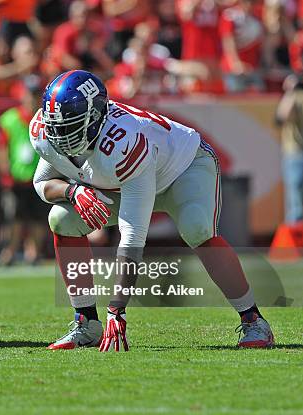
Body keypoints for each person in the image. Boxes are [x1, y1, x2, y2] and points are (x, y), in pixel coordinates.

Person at [30, 70, 274, 351]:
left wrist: (117, 309)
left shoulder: (124, 143)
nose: (61, 136)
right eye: (56, 126)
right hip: (125, 181)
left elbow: (132, 238)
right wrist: (72, 191)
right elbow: (43, 182)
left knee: (196, 227)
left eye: (71, 126)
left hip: (183, 167)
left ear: (95, 118)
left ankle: (253, 319)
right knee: (61, 219)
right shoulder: (46, 132)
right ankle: (86, 323)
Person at [0, 75, 48, 265]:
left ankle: (33, 252)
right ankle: (9, 251)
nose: (31, 98)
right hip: (17, 177)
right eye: (29, 94)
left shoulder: (47, 118)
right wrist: (5, 173)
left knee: (37, 218)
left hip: (40, 176)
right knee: (14, 218)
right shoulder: (9, 119)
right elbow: (2, 146)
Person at [276, 72, 303, 223]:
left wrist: (291, 91)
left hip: (297, 155)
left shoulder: (298, 95)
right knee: (297, 207)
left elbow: (280, 118)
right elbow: (281, 119)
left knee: (297, 206)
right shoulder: (298, 95)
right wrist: (292, 91)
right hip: (297, 153)